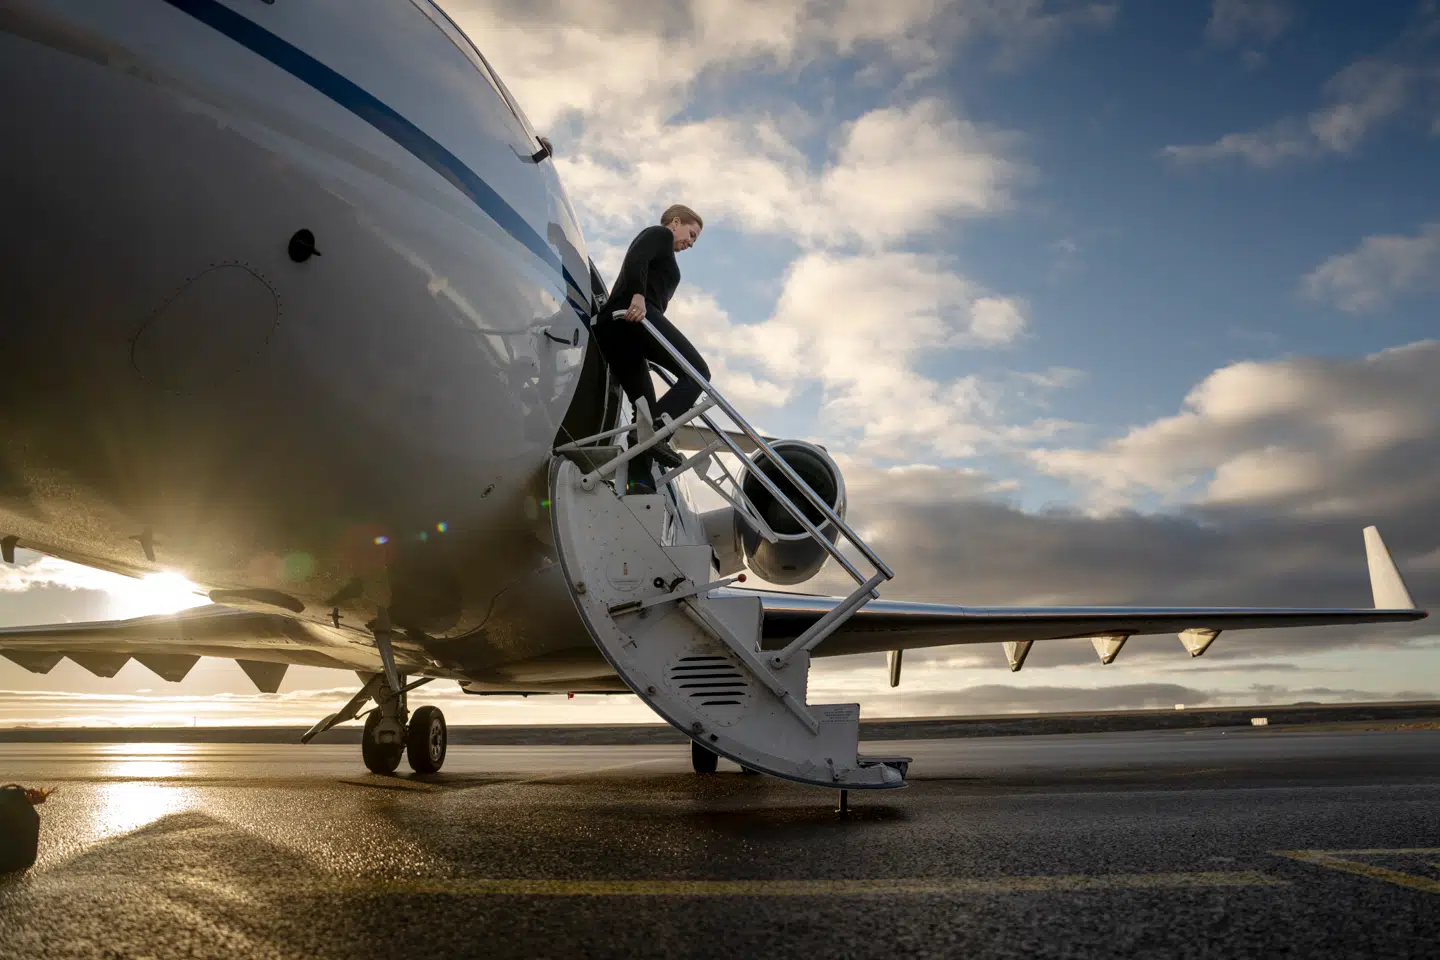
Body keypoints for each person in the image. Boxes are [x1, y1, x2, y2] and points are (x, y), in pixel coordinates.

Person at [593, 204, 711, 490]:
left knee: (644, 404)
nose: (690, 243)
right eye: (691, 234)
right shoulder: (658, 235)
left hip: (623, 332)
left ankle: (639, 480)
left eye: (694, 240)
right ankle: (655, 434)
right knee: (698, 373)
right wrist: (637, 296)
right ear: (674, 222)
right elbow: (637, 259)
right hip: (634, 314)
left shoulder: (667, 250)